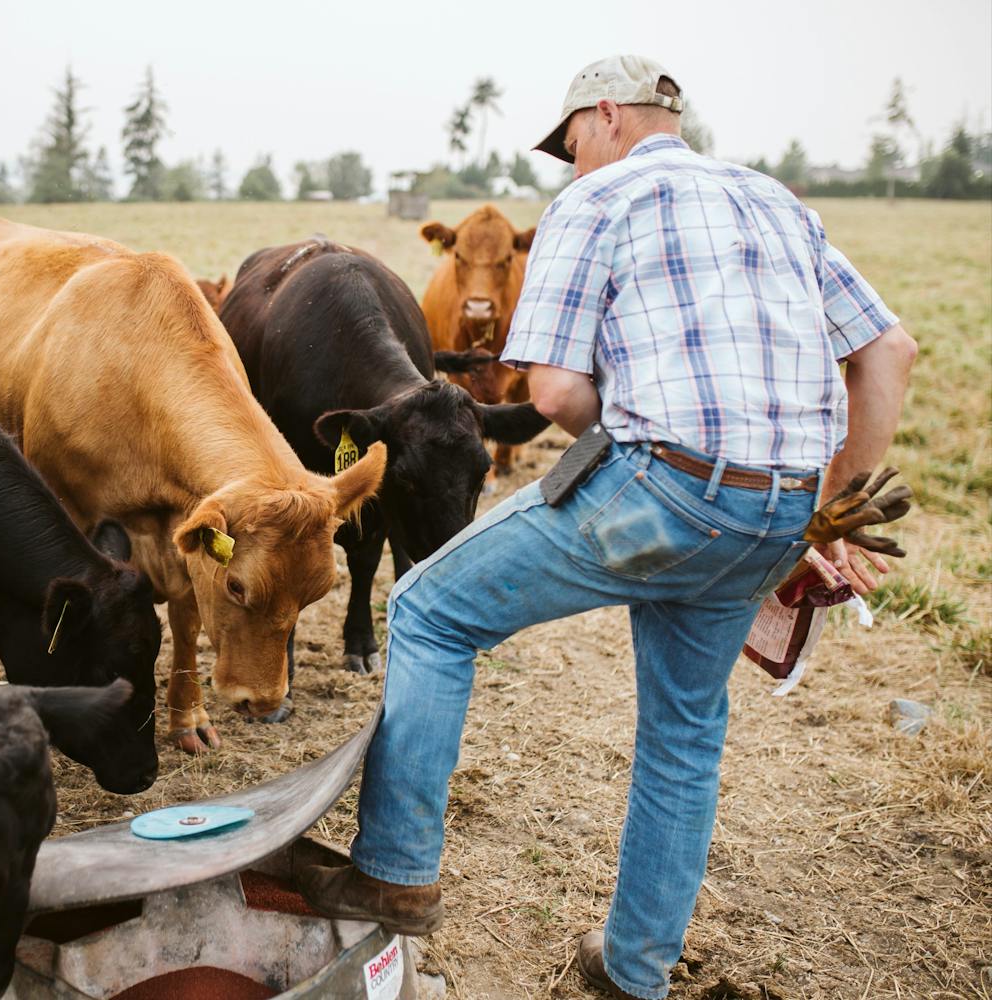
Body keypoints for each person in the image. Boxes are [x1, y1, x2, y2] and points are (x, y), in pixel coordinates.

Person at [296, 55, 918, 1000]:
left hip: (668, 486)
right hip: (783, 510)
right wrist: (829, 512)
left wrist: (653, 446)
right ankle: (634, 973)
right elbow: (888, 351)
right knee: (684, 734)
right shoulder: (779, 201)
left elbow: (551, 389)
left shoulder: (598, 200)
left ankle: (395, 871)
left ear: (609, 115)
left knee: (427, 608)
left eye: (571, 141)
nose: (569, 162)